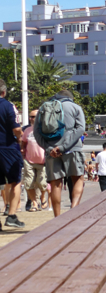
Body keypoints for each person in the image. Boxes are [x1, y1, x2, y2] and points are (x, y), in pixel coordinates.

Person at [34, 89, 87, 218]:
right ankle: (73, 211)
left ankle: (57, 218)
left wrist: (49, 149)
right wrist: (63, 147)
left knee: (55, 183)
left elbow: (36, 133)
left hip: (51, 152)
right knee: (78, 178)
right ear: (70, 98)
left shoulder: (43, 108)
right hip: (72, 149)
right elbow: (80, 129)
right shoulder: (75, 107)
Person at [0, 80, 25, 229]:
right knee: (15, 181)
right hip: (7, 148)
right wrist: (20, 138)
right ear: (3, 92)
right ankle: (12, 215)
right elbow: (16, 128)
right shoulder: (8, 106)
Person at [20, 109, 48, 212]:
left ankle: (43, 198)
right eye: (30, 117)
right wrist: (22, 151)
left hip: (42, 161)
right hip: (29, 161)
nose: (31, 119)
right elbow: (23, 143)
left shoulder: (44, 130)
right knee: (28, 183)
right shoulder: (27, 130)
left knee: (42, 183)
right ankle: (34, 203)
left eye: (33, 117)